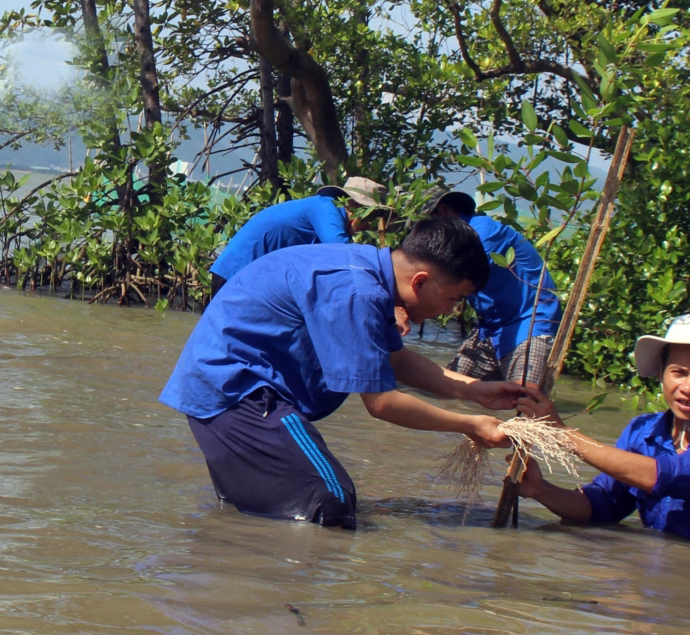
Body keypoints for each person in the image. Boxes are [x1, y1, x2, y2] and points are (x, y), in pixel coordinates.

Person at [160, 216, 522, 529]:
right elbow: (382, 403)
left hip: (228, 391)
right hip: (238, 394)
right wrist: (470, 425)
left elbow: (395, 362)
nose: (448, 311)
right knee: (330, 501)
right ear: (421, 282)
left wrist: (473, 389)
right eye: (454, 299)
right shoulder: (357, 291)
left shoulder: (368, 273)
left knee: (261, 515)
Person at [513, 313, 690, 549]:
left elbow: (666, 476)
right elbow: (602, 505)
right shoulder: (641, 431)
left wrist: (561, 433)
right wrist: (541, 489)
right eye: (678, 373)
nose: (689, 388)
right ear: (661, 374)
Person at [418, 188, 562, 390]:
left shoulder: (482, 232)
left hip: (530, 321)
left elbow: (451, 275)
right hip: (491, 327)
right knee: (447, 390)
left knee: (526, 399)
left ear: (443, 211)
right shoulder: (463, 238)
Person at [208, 176, 389, 295]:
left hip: (251, 280)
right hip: (235, 275)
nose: (369, 224)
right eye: (370, 215)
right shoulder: (326, 208)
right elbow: (343, 255)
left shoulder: (328, 218)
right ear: (353, 205)